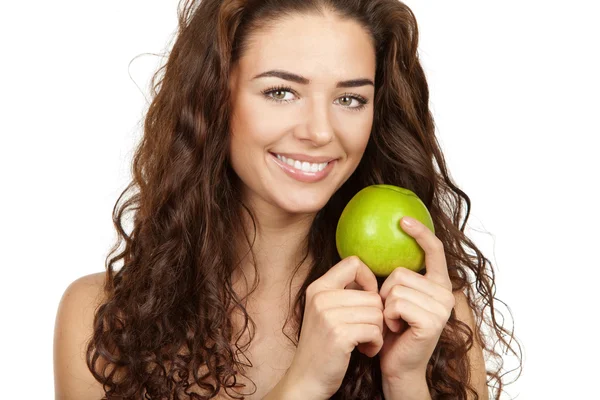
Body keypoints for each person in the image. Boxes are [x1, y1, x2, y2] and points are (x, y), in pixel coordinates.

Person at [53, 0, 522, 399]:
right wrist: (303, 384)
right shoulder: (101, 318)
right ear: (216, 97)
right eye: (281, 92)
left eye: (351, 99)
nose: (319, 131)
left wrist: (405, 379)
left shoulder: (431, 312)